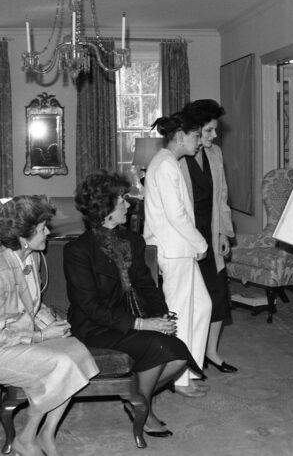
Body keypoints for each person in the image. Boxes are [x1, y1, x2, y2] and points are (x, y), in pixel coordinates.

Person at [64, 171, 202, 437]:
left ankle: (135, 397)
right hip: (95, 325)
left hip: (130, 316)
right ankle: (144, 409)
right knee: (159, 346)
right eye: (122, 200)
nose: (128, 204)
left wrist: (162, 316)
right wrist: (142, 324)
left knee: (178, 356)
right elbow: (89, 305)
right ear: (105, 207)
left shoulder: (133, 241)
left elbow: (146, 285)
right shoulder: (78, 251)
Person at [0, 196, 98, 456]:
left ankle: (47, 435)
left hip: (17, 337)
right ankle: (26, 438)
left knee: (78, 351)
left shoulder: (32, 257)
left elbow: (32, 307)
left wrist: (54, 324)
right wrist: (39, 336)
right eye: (41, 229)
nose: (48, 232)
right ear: (24, 236)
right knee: (61, 365)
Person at [143, 112, 212, 398]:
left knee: (203, 306)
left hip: (179, 248)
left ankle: (187, 370)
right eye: (197, 136)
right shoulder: (166, 165)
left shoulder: (169, 162)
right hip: (174, 250)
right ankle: (178, 377)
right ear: (181, 136)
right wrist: (201, 244)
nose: (200, 142)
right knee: (181, 314)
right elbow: (177, 215)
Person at [180, 99, 238, 374]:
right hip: (187, 236)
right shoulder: (177, 157)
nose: (214, 136)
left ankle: (212, 352)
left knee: (217, 295)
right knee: (191, 299)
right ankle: (190, 355)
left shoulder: (214, 154)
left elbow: (222, 196)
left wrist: (224, 231)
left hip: (211, 231)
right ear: (194, 129)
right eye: (209, 131)